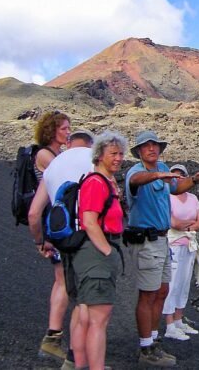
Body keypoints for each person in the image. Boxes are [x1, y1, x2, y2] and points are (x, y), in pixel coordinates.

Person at [124, 131, 199, 367]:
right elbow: (135, 182)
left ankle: (153, 341)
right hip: (146, 240)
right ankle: (146, 347)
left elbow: (176, 187)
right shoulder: (136, 172)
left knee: (161, 290)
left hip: (163, 239)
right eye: (146, 146)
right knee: (148, 293)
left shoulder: (163, 167)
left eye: (155, 145)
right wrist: (156, 175)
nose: (152, 149)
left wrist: (194, 179)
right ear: (139, 151)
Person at [29, 129, 94, 369]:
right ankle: (76, 358)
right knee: (86, 298)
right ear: (91, 144)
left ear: (69, 143)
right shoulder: (95, 161)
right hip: (88, 238)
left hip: (60, 236)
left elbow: (34, 213)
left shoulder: (55, 165)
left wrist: (40, 241)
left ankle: (52, 338)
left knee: (64, 284)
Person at [71, 130, 126, 370]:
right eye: (113, 153)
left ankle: (83, 365)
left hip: (93, 255)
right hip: (96, 256)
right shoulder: (96, 183)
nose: (118, 158)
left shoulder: (104, 182)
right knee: (98, 321)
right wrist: (107, 251)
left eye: (121, 154)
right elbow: (89, 221)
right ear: (99, 155)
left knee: (86, 316)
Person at [31, 110, 71, 360]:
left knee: (63, 279)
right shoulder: (46, 156)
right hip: (53, 225)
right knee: (63, 280)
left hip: (54, 224)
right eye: (64, 128)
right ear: (51, 131)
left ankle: (55, 336)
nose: (68, 132)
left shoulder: (56, 155)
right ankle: (52, 338)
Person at [163, 164, 199, 341]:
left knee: (183, 283)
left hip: (189, 244)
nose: (177, 179)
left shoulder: (193, 198)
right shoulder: (166, 197)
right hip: (173, 244)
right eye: (174, 176)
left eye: (181, 176)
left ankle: (179, 319)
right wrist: (190, 224)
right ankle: (169, 325)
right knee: (172, 283)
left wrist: (188, 226)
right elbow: (173, 223)